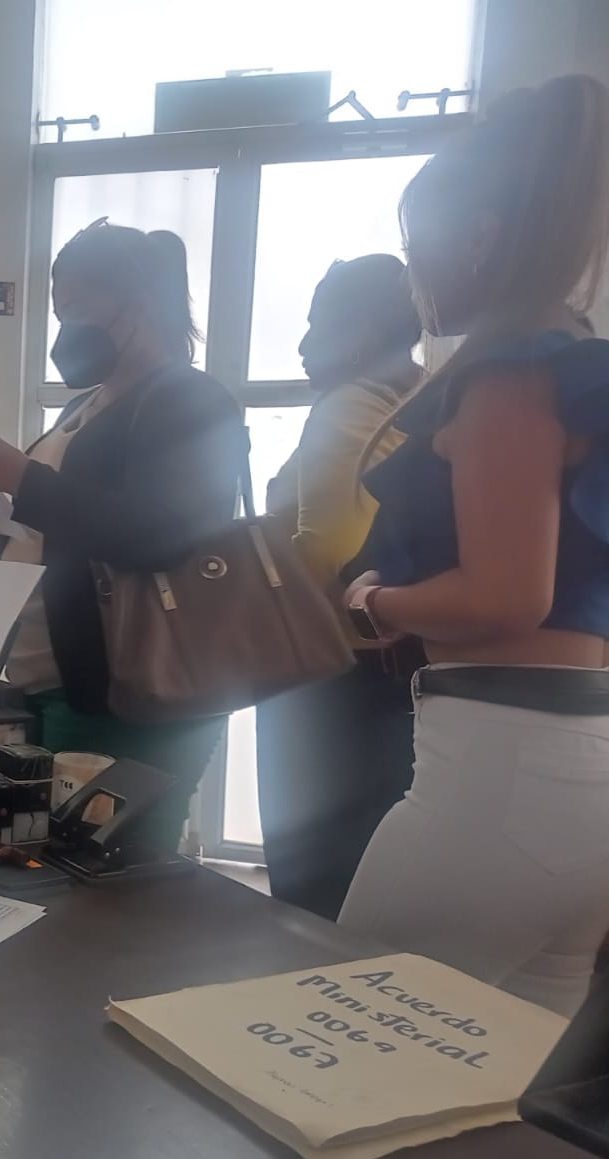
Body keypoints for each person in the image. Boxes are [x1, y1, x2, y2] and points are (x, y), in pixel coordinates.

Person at [337, 74, 609, 1015]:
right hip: (581, 766)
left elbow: (504, 597)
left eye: (417, 245)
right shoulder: (580, 371)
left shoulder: (508, 379)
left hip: (501, 772)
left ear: (479, 238)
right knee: (507, 1087)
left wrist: (375, 602)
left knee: (343, 1043)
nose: (411, 273)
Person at [0, 220, 245, 854]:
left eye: (78, 308)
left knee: (114, 872)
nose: (67, 329)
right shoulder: (86, 405)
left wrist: (23, 478)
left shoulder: (191, 400)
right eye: (61, 313)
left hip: (128, 689)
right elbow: (69, 527)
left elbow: (165, 536)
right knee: (49, 862)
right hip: (52, 678)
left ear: (139, 303)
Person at [256, 255, 426, 920]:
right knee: (369, 864)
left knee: (310, 882)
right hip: (399, 665)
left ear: (359, 334)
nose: (302, 345)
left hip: (322, 667)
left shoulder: (349, 405)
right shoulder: (429, 400)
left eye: (316, 325)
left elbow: (324, 545)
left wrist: (255, 598)